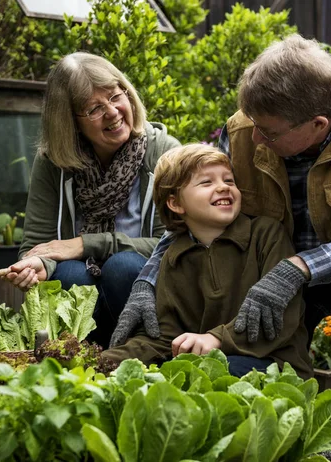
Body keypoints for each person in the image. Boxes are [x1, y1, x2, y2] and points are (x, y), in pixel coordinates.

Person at [111, 35, 331, 461]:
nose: (256, 139)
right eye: (254, 124)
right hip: (264, 276)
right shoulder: (244, 127)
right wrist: (147, 280)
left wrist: (297, 268)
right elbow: (193, 217)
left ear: (317, 124)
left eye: (270, 132)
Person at [4, 52, 180, 349]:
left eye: (115, 96)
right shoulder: (52, 163)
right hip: (85, 301)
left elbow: (175, 241)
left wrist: (87, 243)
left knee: (122, 266)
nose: (112, 112)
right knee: (68, 273)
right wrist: (37, 264)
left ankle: (142, 353)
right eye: (95, 108)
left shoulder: (163, 152)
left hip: (148, 292)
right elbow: (37, 243)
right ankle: (84, 359)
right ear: (70, 122)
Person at [102, 144, 313, 379]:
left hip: (276, 366)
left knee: (209, 372)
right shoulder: (173, 256)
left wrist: (215, 339)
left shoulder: (267, 235)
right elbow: (164, 336)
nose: (223, 187)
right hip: (208, 365)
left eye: (229, 181)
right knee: (165, 376)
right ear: (176, 204)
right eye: (206, 182)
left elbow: (280, 320)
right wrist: (105, 362)